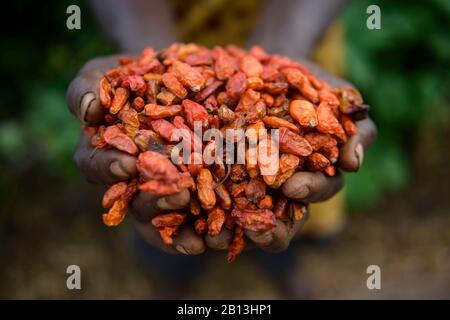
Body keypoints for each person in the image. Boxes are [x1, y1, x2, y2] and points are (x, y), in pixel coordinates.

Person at [67, 0, 376, 298]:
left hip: (294, 27)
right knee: (163, 203)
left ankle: (284, 273)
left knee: (285, 205)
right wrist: (150, 51)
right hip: (160, 24)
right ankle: (171, 281)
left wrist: (283, 51)